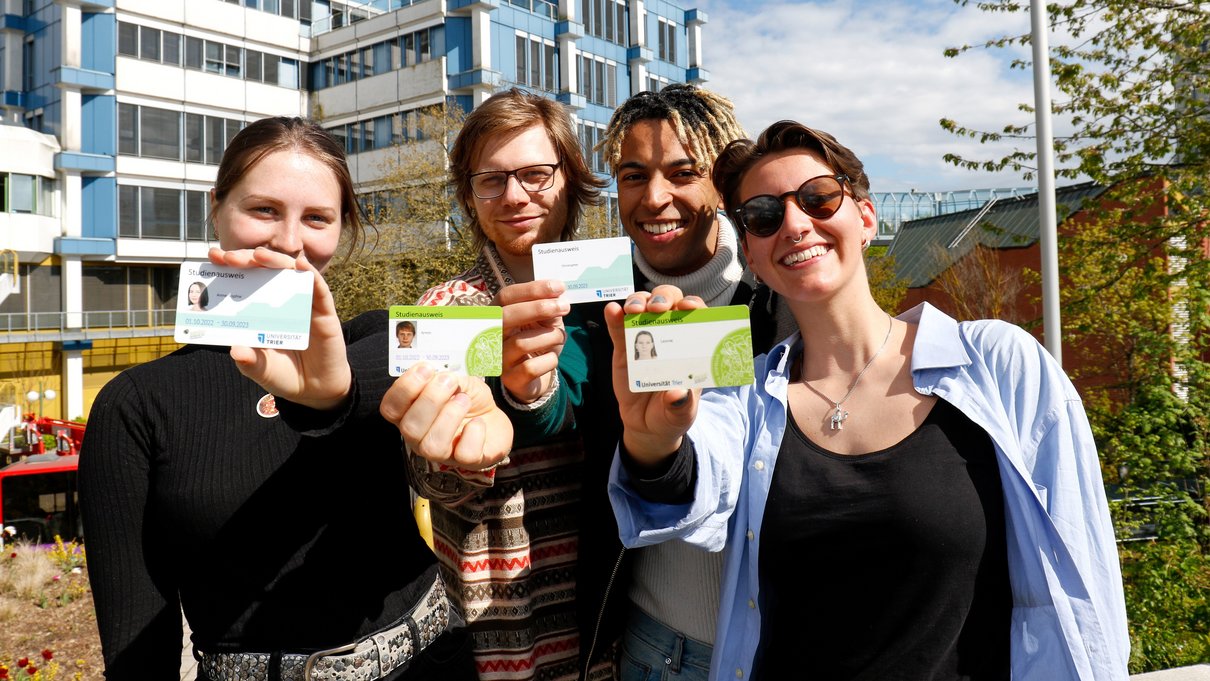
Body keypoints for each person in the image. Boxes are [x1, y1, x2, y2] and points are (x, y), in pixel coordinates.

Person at [605, 121, 1130, 680]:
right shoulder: (749, 394)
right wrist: (651, 441)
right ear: (752, 255)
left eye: (819, 198)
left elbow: (1084, 584)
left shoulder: (999, 364)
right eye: (762, 215)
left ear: (866, 218)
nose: (795, 223)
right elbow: (693, 486)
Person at [80, 116, 512, 681]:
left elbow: (486, 391)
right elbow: (140, 652)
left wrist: (493, 423)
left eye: (316, 218)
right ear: (217, 207)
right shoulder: (134, 407)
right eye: (263, 209)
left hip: (431, 666)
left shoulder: (386, 338)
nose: (289, 241)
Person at [404, 88, 621, 681]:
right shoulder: (447, 309)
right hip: (509, 636)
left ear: (571, 179)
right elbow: (430, 481)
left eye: (534, 173)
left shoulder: (616, 302)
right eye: (491, 180)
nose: (515, 195)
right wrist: (456, 450)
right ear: (469, 199)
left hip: (616, 619)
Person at [595, 84, 795, 680]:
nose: (656, 198)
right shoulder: (600, 304)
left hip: (772, 645)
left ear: (721, 180)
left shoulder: (782, 292)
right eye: (633, 176)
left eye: (683, 172)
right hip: (648, 646)